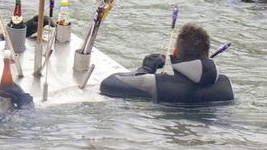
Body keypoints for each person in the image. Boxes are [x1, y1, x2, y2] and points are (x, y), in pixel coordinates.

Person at [100, 24, 234, 103]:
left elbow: (108, 84)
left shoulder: (158, 84)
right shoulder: (225, 84)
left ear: (175, 53)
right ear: (207, 53)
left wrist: (146, 69)